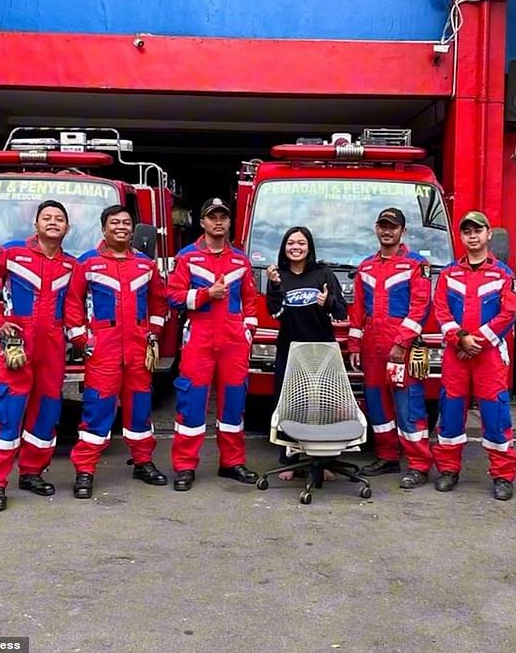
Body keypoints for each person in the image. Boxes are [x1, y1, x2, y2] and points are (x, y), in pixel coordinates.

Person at [0, 200, 74, 511]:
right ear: (36, 225)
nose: (53, 222)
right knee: (6, 414)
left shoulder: (71, 266)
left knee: (46, 413)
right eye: (47, 218)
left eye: (59, 219)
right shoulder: (12, 252)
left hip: (53, 348)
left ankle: (31, 473)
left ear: (67, 228)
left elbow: (77, 308)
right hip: (18, 343)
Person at [65, 204, 168, 499]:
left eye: (126, 222)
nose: (121, 227)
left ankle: (143, 462)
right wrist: (84, 340)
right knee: (97, 411)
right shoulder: (88, 263)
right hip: (103, 351)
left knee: (139, 410)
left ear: (132, 230)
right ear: (104, 228)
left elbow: (159, 303)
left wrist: (154, 332)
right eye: (115, 223)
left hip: (138, 349)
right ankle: (85, 470)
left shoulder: (145, 265)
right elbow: (72, 304)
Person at [167, 197, 259, 491]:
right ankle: (184, 466)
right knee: (191, 405)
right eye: (212, 217)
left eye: (223, 217)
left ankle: (231, 462)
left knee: (234, 405)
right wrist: (206, 294)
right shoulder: (187, 257)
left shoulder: (240, 260)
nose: (218, 222)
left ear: (229, 222)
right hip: (200, 340)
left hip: (233, 343)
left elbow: (250, 302)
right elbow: (173, 296)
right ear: (203, 222)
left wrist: (247, 332)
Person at [432, 211, 516, 500]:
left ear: (488, 234)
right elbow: (441, 311)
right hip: (456, 355)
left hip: (489, 356)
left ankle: (503, 476)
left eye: (477, 230)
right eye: (467, 231)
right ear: (461, 236)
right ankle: (448, 469)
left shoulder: (503, 274)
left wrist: (475, 341)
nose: (472, 235)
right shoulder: (448, 274)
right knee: (451, 414)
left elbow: (509, 313)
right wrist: (460, 339)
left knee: (495, 416)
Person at [348, 207, 433, 488]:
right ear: (376, 229)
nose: (387, 231)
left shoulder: (415, 265)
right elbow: (358, 310)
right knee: (377, 404)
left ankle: (419, 465)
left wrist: (402, 343)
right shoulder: (366, 267)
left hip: (401, 348)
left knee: (409, 406)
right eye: (383, 226)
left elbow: (421, 306)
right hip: (372, 347)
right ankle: (387, 457)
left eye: (392, 227)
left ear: (402, 231)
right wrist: (355, 345)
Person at [266, 226, 348, 480]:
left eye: (301, 243)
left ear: (309, 247)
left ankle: (323, 462)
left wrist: (329, 303)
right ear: (284, 248)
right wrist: (275, 287)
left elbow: (342, 312)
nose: (296, 247)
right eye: (291, 243)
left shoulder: (323, 273)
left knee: (323, 407)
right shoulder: (279, 276)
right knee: (289, 407)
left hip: (322, 351)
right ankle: (289, 460)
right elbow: (274, 313)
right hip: (289, 352)